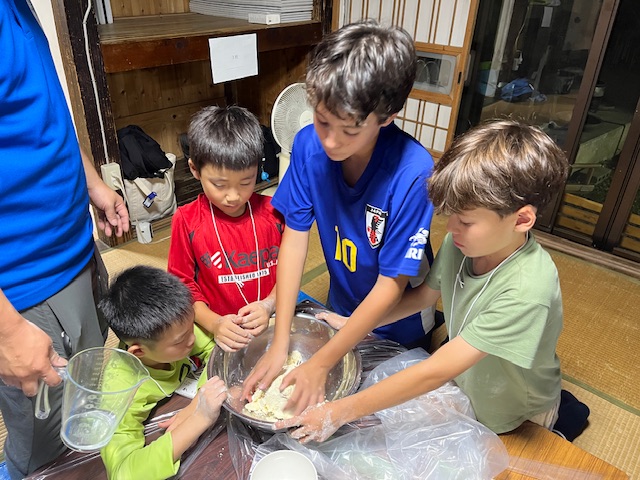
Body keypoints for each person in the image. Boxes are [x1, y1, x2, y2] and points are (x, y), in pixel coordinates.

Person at [277, 120, 574, 443]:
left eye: (466, 221)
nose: (451, 228)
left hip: (513, 410)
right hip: (469, 379)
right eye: (451, 215)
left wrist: (339, 411)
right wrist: (353, 324)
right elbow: (422, 298)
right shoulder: (462, 244)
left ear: (522, 219)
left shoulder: (528, 290)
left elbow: (436, 370)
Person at [242, 19, 435, 413]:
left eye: (348, 131)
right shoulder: (308, 146)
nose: (330, 141)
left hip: (398, 325)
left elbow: (391, 287)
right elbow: (295, 239)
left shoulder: (413, 173)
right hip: (340, 306)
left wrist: (320, 363)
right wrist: (280, 341)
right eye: (322, 121)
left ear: (387, 116)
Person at [0, 1, 130, 478]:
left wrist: (91, 182)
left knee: (87, 393)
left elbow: (38, 111)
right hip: (23, 289)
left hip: (74, 249)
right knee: (43, 441)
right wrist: (5, 331)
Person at [167, 105, 285, 352]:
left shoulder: (274, 213)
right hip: (218, 331)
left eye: (246, 182)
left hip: (273, 322)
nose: (233, 196)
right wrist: (215, 323)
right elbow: (182, 285)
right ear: (194, 169)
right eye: (219, 185)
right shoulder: (186, 220)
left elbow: (290, 268)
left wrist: (269, 304)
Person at [98, 266, 227, 480]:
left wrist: (196, 402)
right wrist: (198, 419)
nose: (193, 339)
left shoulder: (174, 328)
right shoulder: (119, 392)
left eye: (191, 327)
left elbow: (216, 350)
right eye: (181, 340)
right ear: (139, 352)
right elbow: (122, 473)